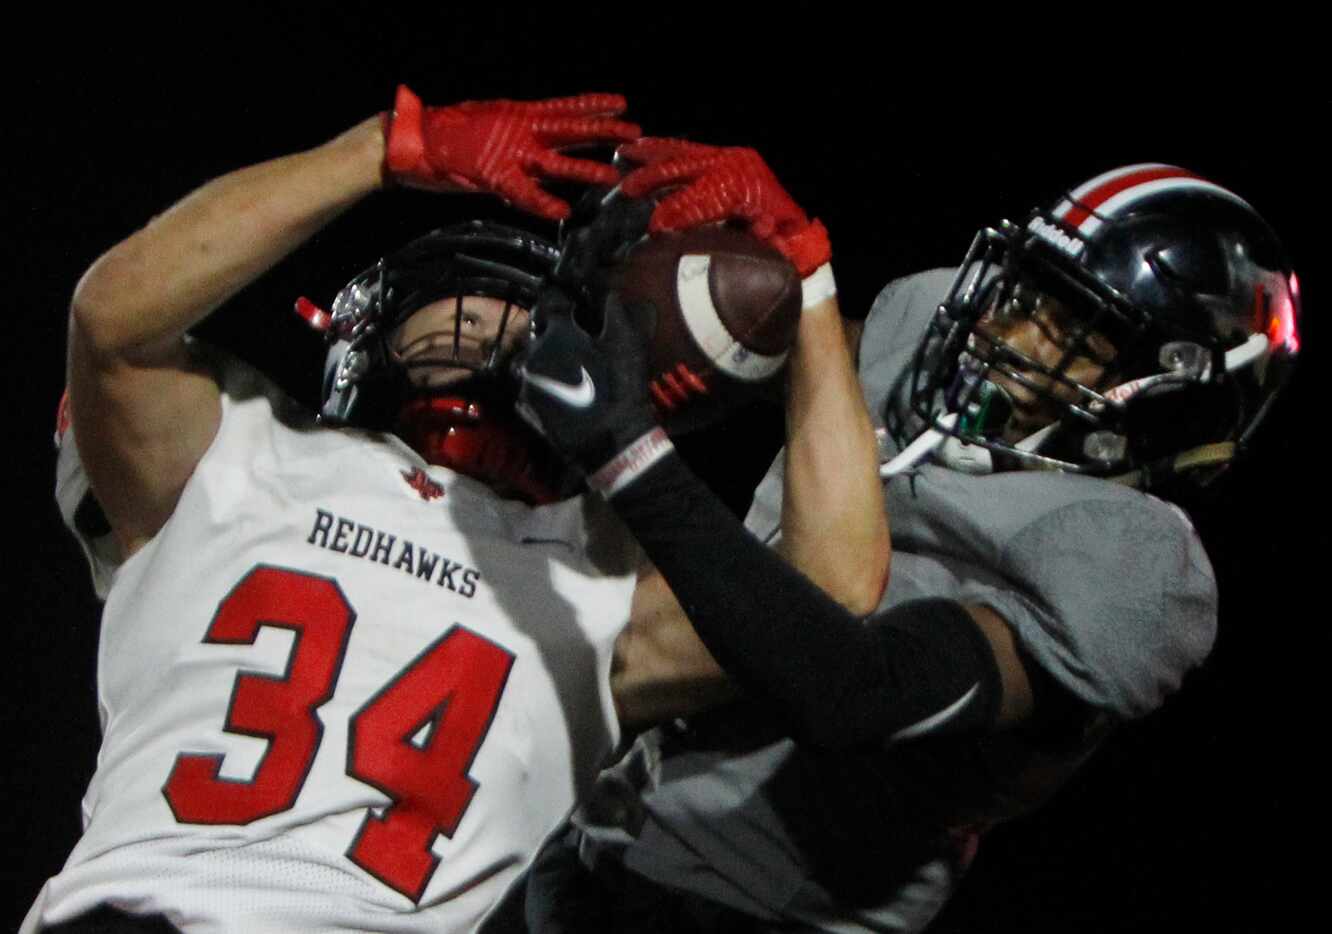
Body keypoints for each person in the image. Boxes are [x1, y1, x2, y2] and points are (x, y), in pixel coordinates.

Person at [34, 95, 883, 932]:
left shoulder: (596, 567)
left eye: (526, 319)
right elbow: (112, 318)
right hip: (147, 907)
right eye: (471, 301)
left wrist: (805, 279)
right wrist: (383, 148)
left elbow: (831, 594)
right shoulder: (237, 450)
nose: (500, 325)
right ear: (372, 328)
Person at [516, 150, 1302, 932]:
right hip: (588, 835)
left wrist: (632, 457)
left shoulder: (1131, 566)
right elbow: (783, 338)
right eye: (1025, 288)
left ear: (1174, 396)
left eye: (1073, 326)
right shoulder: (937, 334)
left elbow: (854, 690)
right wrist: (672, 273)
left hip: (746, 909)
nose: (1003, 326)